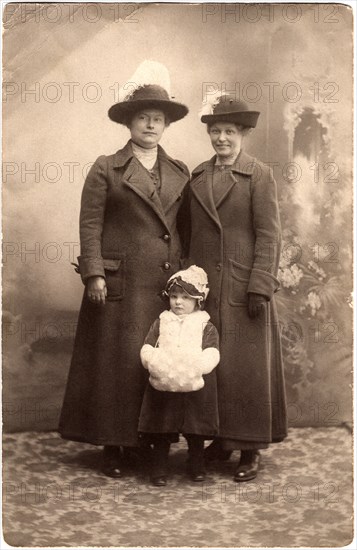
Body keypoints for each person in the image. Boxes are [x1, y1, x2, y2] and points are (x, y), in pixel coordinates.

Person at [58, 68, 190, 478]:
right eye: (143, 118)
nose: (151, 125)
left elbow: (184, 228)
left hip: (164, 285)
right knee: (117, 365)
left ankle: (155, 441)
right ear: (128, 123)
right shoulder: (107, 168)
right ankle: (114, 445)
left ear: (166, 124)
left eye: (158, 118)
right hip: (120, 285)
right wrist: (94, 274)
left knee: (159, 360)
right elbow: (90, 224)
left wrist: (186, 279)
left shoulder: (181, 171)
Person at [187, 94, 288, 482]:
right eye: (215, 131)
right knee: (215, 368)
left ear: (243, 133)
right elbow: (188, 231)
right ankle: (220, 440)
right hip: (207, 289)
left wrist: (260, 285)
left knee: (247, 370)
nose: (222, 138)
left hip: (245, 287)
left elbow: (269, 234)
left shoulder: (258, 174)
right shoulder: (198, 175)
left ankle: (249, 449)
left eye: (229, 131)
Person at [138, 265, 220, 486]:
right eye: (174, 296)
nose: (178, 302)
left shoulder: (205, 325)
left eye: (185, 297)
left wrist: (201, 365)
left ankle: (196, 462)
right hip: (166, 382)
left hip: (195, 382)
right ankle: (160, 466)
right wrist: (152, 360)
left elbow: (212, 350)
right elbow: (148, 344)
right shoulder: (162, 321)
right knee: (163, 427)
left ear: (198, 300)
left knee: (195, 429)